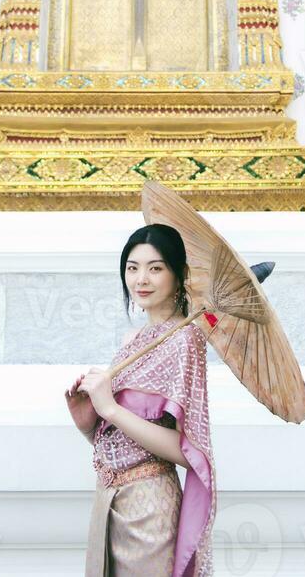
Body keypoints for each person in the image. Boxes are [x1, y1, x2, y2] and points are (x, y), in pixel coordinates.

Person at [64, 223, 216, 577]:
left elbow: (187, 449)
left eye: (155, 268)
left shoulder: (185, 341)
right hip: (108, 500)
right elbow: (125, 435)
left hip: (149, 509)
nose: (141, 279)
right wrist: (90, 422)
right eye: (132, 268)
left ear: (179, 275)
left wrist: (111, 409)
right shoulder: (136, 337)